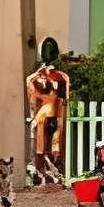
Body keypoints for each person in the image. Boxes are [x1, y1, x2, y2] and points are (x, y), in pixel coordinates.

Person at [24, 37, 73, 186]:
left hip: (39, 117)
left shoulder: (33, 79)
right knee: (54, 147)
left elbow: (32, 102)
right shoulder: (63, 78)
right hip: (56, 116)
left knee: (39, 148)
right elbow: (64, 102)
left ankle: (41, 174)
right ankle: (51, 175)